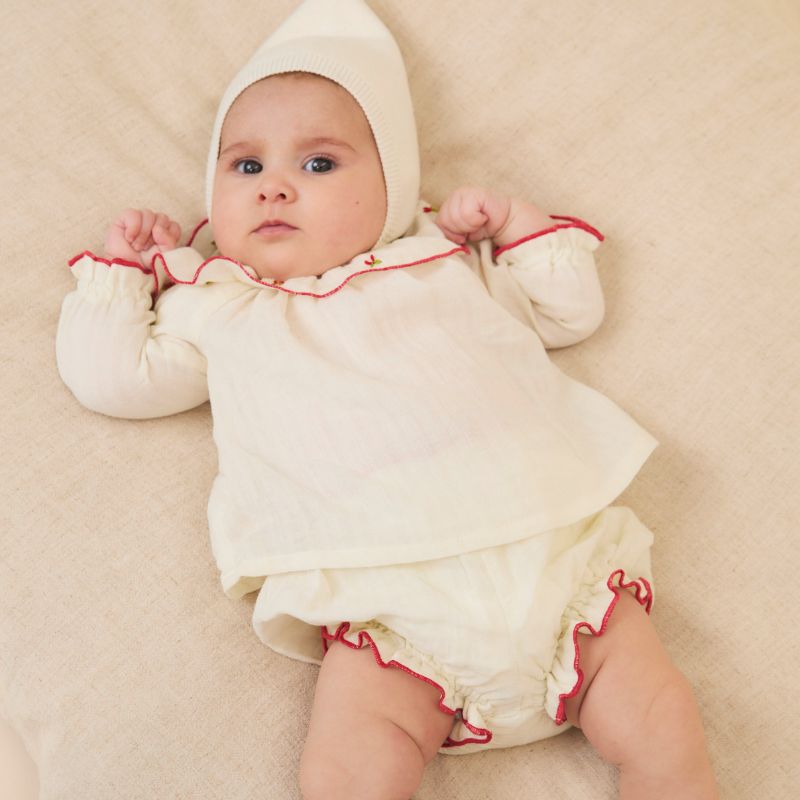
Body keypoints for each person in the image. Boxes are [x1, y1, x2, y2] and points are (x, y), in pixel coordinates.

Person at [56, 1, 718, 798]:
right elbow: (112, 380)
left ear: (393, 182)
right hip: (389, 615)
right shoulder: (221, 308)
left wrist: (516, 229)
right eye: (245, 166)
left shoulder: (440, 265)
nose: (274, 190)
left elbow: (568, 312)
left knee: (663, 724)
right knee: (345, 770)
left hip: (557, 571)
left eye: (319, 165)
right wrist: (120, 273)